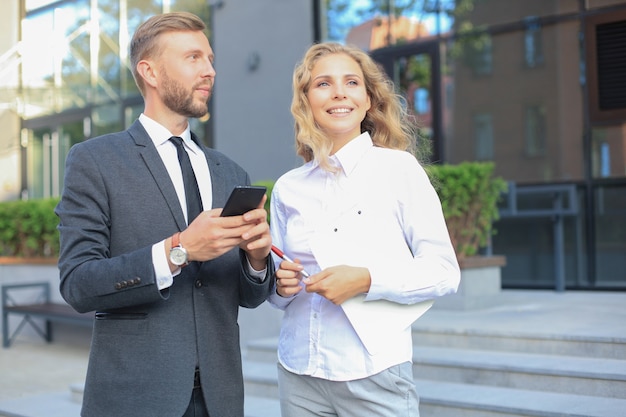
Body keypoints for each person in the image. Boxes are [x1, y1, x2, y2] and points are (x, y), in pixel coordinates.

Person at [55, 12, 274, 417]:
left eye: (210, 59)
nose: (209, 71)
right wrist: (179, 250)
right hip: (135, 396)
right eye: (193, 58)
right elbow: (78, 284)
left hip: (220, 397)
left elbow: (250, 296)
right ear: (150, 72)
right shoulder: (94, 161)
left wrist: (259, 261)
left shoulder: (231, 171)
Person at [268, 42, 461, 417]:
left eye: (351, 82)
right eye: (323, 83)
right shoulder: (288, 187)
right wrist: (279, 284)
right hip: (299, 373)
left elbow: (444, 272)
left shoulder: (399, 170)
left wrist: (366, 281)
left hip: (374, 373)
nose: (339, 91)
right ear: (306, 100)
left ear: (368, 99)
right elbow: (279, 294)